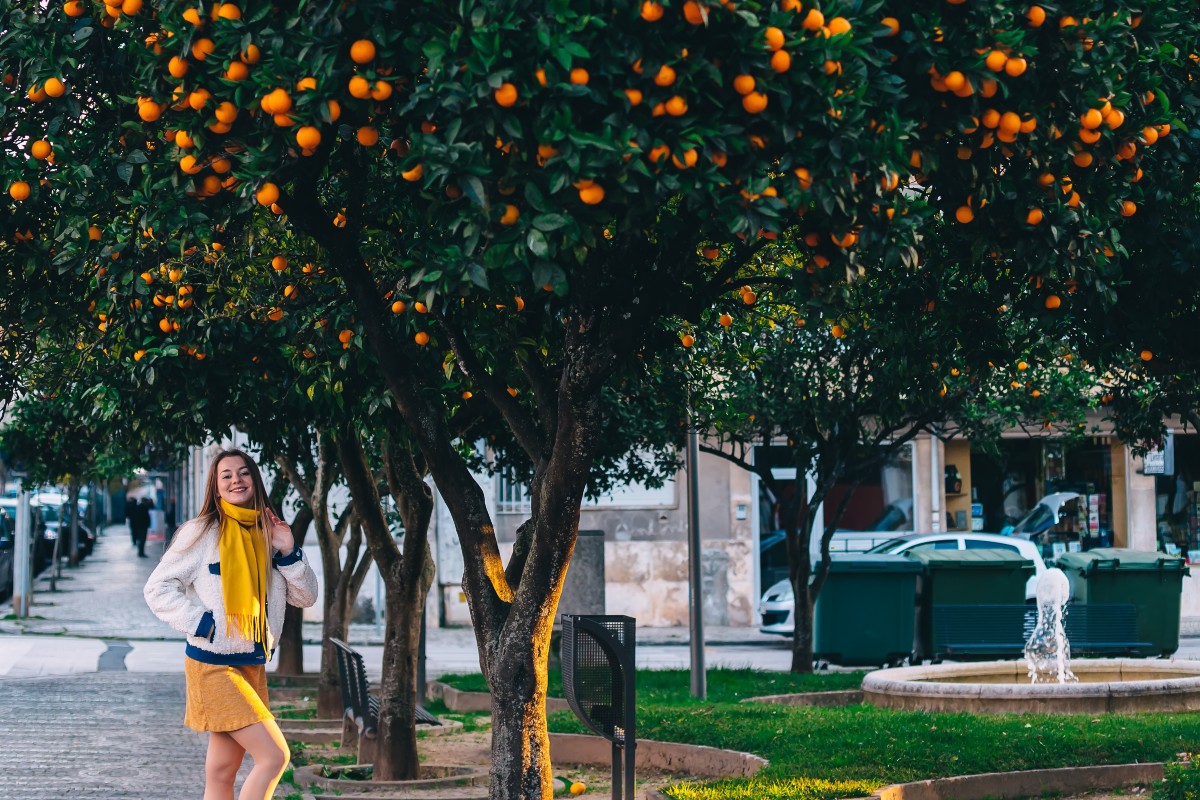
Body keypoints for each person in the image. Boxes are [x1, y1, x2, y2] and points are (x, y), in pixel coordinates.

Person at [144, 449, 318, 800]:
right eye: (227, 475)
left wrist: (288, 551)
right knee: (274, 756)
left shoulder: (270, 533)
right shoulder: (201, 532)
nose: (236, 480)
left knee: (222, 772)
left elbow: (305, 597)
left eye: (243, 473)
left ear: (255, 479)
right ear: (216, 486)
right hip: (212, 665)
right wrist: (201, 622)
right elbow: (157, 588)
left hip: (251, 664)